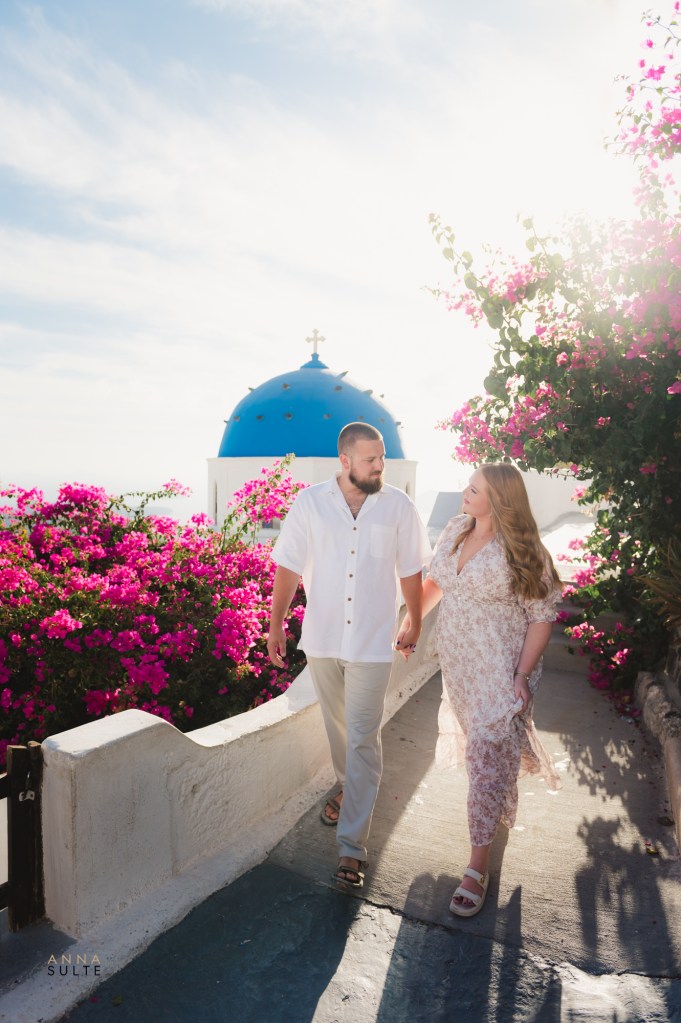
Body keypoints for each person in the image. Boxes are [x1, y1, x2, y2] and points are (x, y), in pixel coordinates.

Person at [267, 422, 431, 891]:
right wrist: (276, 623)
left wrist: (414, 620)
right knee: (338, 729)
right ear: (344, 461)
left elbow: (412, 569)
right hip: (321, 639)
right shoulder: (310, 503)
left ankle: (350, 850)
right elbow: (289, 566)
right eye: (370, 459)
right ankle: (347, 784)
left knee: (362, 738)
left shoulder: (398, 506)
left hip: (373, 643)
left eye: (381, 458)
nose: (379, 466)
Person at [397, 462, 562, 917]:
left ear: (500, 501)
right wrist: (412, 624)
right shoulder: (454, 529)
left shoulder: (525, 553)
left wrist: (522, 676)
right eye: (467, 487)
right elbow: (436, 583)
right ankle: (495, 801)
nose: (464, 494)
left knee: (487, 752)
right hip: (459, 669)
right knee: (484, 755)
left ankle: (477, 866)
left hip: (500, 670)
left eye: (474, 490)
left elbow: (542, 617)